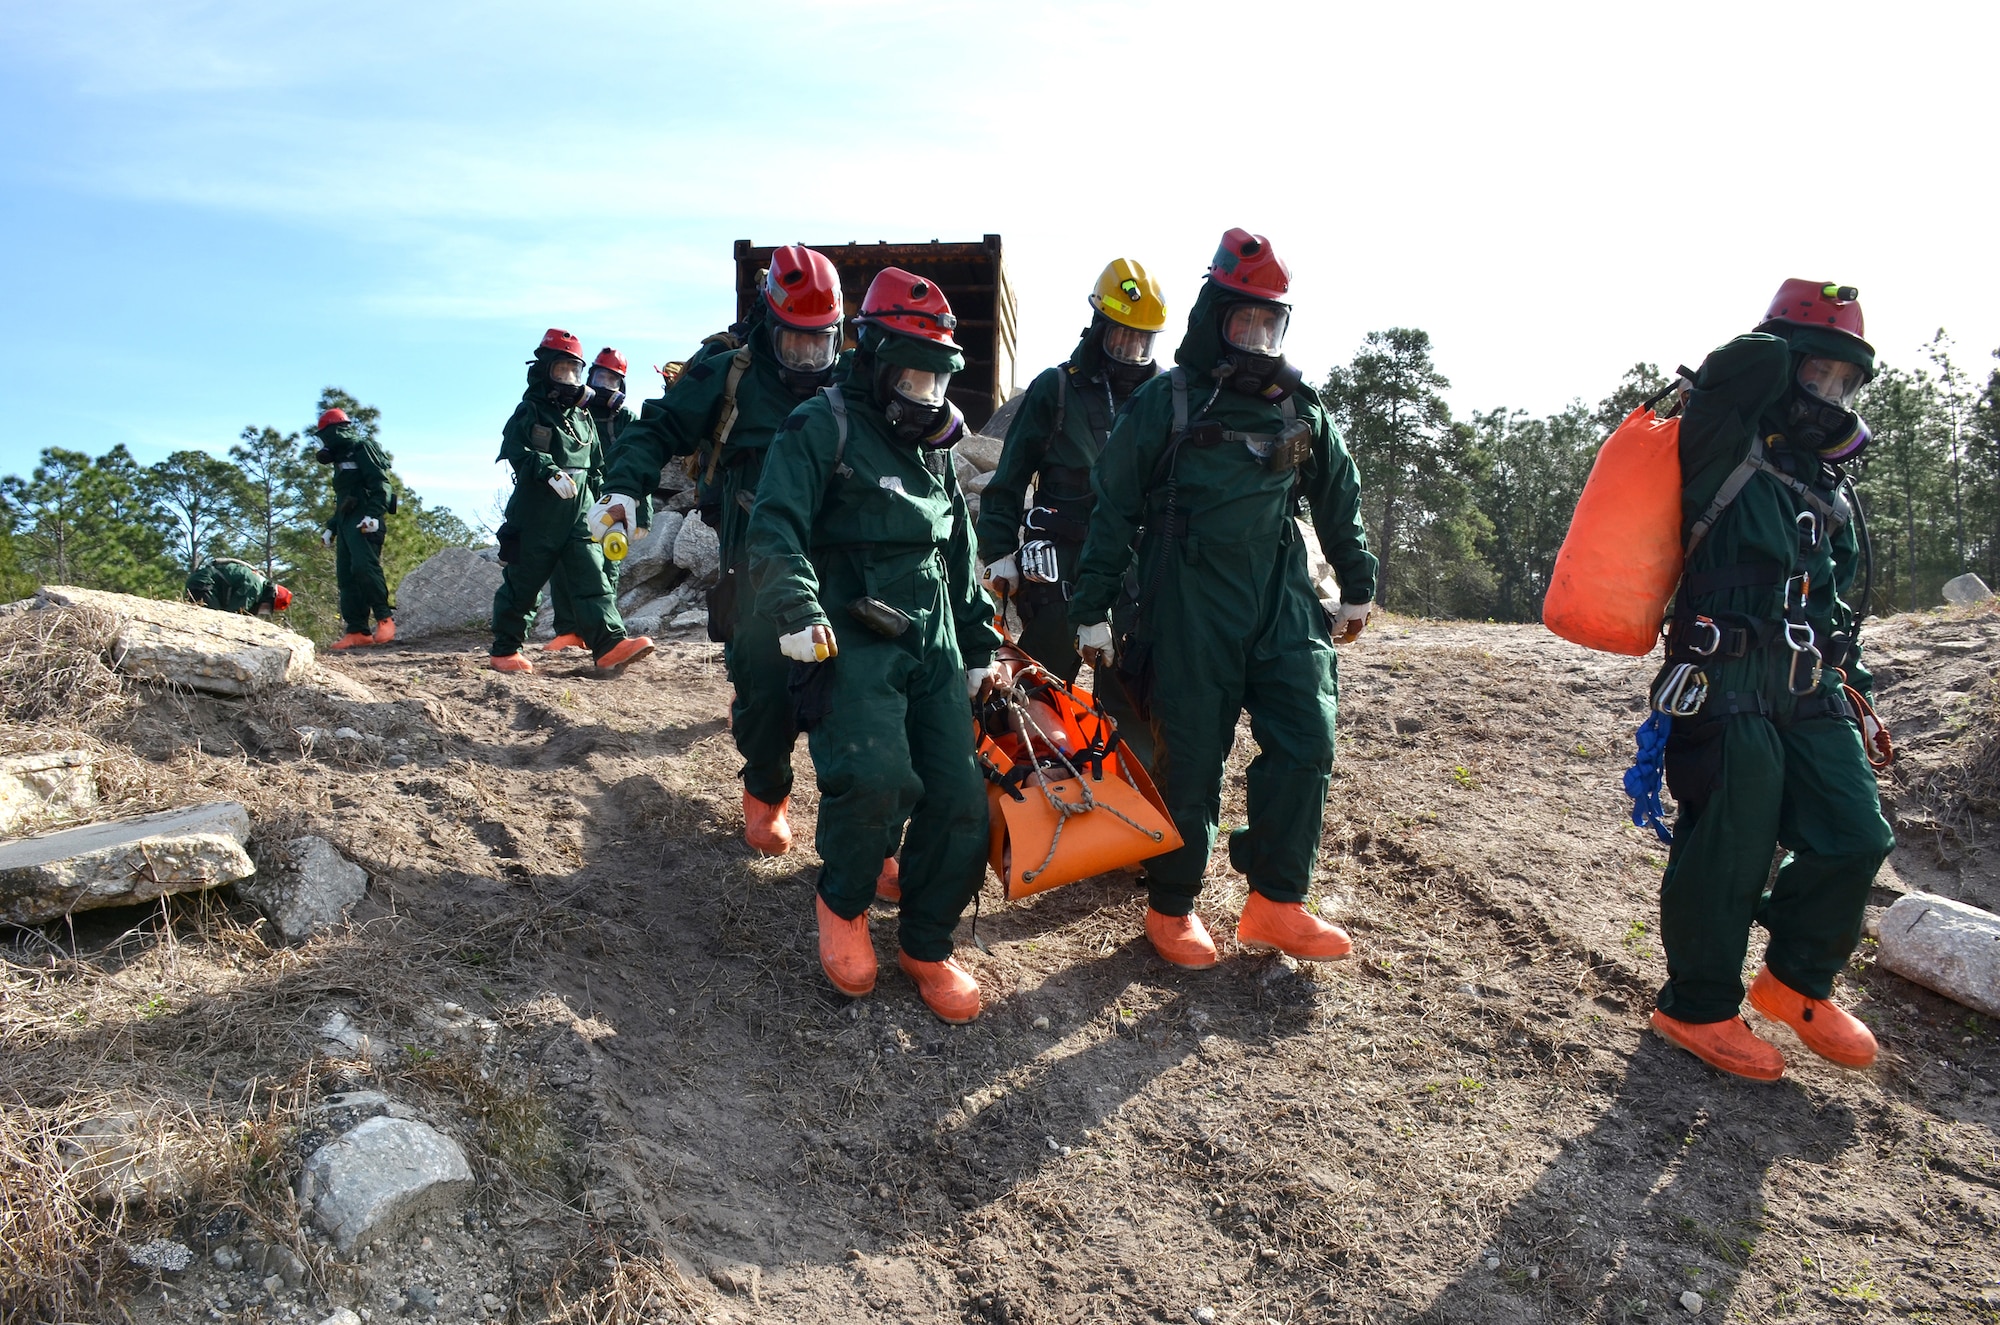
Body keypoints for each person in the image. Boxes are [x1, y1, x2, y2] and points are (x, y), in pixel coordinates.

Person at [1067, 228, 1378, 970]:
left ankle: (1277, 901)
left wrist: (1357, 582)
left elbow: (1341, 494)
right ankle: (1171, 906)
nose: (1258, 337)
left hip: (1281, 601)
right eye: (1245, 321)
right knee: (1193, 761)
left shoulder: (1299, 404)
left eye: (1270, 323)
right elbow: (1112, 508)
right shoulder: (1164, 403)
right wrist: (1094, 607)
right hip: (1186, 603)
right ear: (1214, 318)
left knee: (1308, 739)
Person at [1648, 280, 1893, 1082]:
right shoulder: (1719, 434)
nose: (1829, 397)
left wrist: (1848, 685)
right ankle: (1698, 1007)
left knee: (1857, 833)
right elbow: (1739, 366)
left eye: (1844, 383)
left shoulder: (1830, 487)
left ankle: (1794, 982)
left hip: (1808, 683)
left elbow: (1834, 601)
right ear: (1783, 368)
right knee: (1731, 844)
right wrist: (1788, 331)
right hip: (1723, 677)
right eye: (1815, 375)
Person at [743, 267, 1002, 1023]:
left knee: (960, 800)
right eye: (912, 376)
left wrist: (980, 640)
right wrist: (795, 605)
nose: (925, 393)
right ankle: (845, 904)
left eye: (936, 378)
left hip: (936, 634)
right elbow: (775, 526)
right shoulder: (822, 426)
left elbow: (958, 553)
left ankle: (925, 940)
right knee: (876, 774)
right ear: (876, 358)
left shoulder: (937, 450)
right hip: (850, 626)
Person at [594, 246, 887, 877]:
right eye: (795, 345)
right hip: (753, 554)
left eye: (822, 345)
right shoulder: (730, 375)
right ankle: (767, 792)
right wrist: (623, 487)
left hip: (838, 552)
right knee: (766, 685)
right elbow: (655, 428)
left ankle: (870, 836)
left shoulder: (857, 376)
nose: (810, 361)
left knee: (861, 686)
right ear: (769, 324)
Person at [977, 258, 1164, 765]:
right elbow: (1009, 477)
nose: (1132, 353)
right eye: (1123, 338)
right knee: (1034, 701)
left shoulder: (1166, 400)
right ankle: (1028, 808)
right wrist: (998, 551)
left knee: (1132, 716)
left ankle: (1128, 821)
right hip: (1058, 573)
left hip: (1132, 580)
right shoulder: (1055, 390)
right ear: (1100, 327)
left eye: (1143, 342)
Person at [488, 328, 655, 677]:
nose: (570, 379)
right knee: (524, 584)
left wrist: (604, 506)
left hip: (580, 511)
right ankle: (505, 650)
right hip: (537, 514)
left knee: (592, 576)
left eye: (575, 371)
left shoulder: (583, 418)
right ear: (544, 370)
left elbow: (596, 467)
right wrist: (546, 469)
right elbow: (516, 450)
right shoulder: (530, 410)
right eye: (561, 370)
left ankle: (609, 645)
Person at [547, 346, 636, 653]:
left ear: (621, 387)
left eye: (611, 379)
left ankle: (604, 633)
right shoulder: (574, 413)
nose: (602, 385)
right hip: (572, 499)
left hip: (614, 502)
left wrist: (644, 513)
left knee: (608, 565)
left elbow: (637, 464)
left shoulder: (627, 419)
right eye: (598, 376)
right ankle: (569, 632)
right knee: (563, 566)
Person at [309, 407, 396, 650]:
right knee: (346, 575)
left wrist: (373, 514)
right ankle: (357, 630)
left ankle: (384, 618)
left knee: (364, 567)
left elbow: (381, 483)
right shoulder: (339, 458)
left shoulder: (362, 447)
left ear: (336, 430)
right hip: (346, 520)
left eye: (326, 434)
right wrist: (331, 528)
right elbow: (344, 498)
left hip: (365, 518)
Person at [186, 556, 291, 616]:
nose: (263, 610)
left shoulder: (256, 581)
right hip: (203, 583)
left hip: (203, 582)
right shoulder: (254, 587)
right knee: (214, 616)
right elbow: (235, 613)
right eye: (266, 607)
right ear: (269, 596)